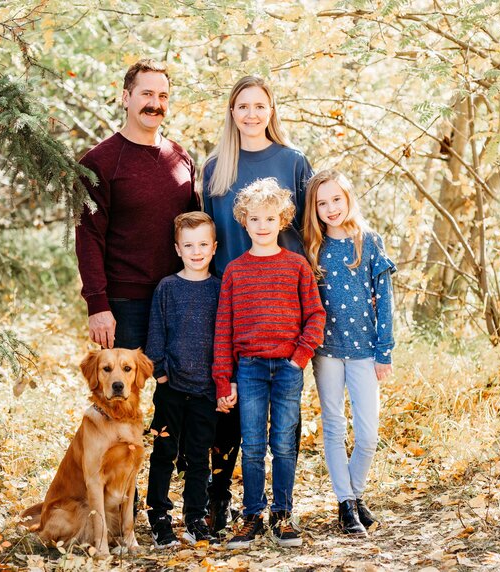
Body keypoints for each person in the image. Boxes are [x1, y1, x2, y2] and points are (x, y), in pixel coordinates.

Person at [201, 75, 313, 535]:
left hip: (283, 302)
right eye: (242, 105)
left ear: (272, 110)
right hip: (230, 293)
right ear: (231, 111)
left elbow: (310, 229)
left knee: (283, 419)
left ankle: (282, 507)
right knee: (228, 411)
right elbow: (203, 232)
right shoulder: (214, 167)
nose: (251, 113)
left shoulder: (293, 161)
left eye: (260, 105)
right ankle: (221, 500)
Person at [212, 179, 326, 549]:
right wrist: (223, 379)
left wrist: (299, 358)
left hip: (288, 368)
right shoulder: (234, 271)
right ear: (244, 222)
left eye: (270, 218)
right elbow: (224, 329)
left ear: (283, 220)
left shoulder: (296, 266)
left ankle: (282, 514)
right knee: (254, 445)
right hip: (250, 370)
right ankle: (251, 516)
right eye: (255, 218)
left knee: (283, 444)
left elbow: (315, 316)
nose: (263, 225)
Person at [75, 58, 199, 352]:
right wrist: (97, 304)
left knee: (179, 395)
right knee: (119, 397)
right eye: (146, 94)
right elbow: (88, 237)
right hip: (124, 305)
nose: (155, 104)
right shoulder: (98, 163)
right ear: (126, 97)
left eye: (163, 96)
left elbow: (196, 228)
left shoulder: (181, 159)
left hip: (178, 297)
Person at [302, 169, 396, 536]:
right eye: (322, 203)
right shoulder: (311, 246)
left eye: (335, 200)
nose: (330, 208)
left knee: (368, 432)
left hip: (365, 350)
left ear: (348, 198)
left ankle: (355, 496)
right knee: (334, 426)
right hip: (326, 350)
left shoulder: (368, 242)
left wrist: (384, 350)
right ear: (314, 208)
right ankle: (345, 503)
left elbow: (385, 300)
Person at [144, 212, 221, 547]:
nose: (196, 250)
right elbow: (156, 335)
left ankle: (195, 518)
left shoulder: (219, 288)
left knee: (199, 457)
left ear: (215, 247)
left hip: (206, 390)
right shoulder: (168, 288)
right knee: (164, 453)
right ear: (177, 249)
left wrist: (222, 380)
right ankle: (159, 517)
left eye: (203, 244)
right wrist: (160, 374)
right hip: (171, 388)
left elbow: (224, 337)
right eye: (189, 245)